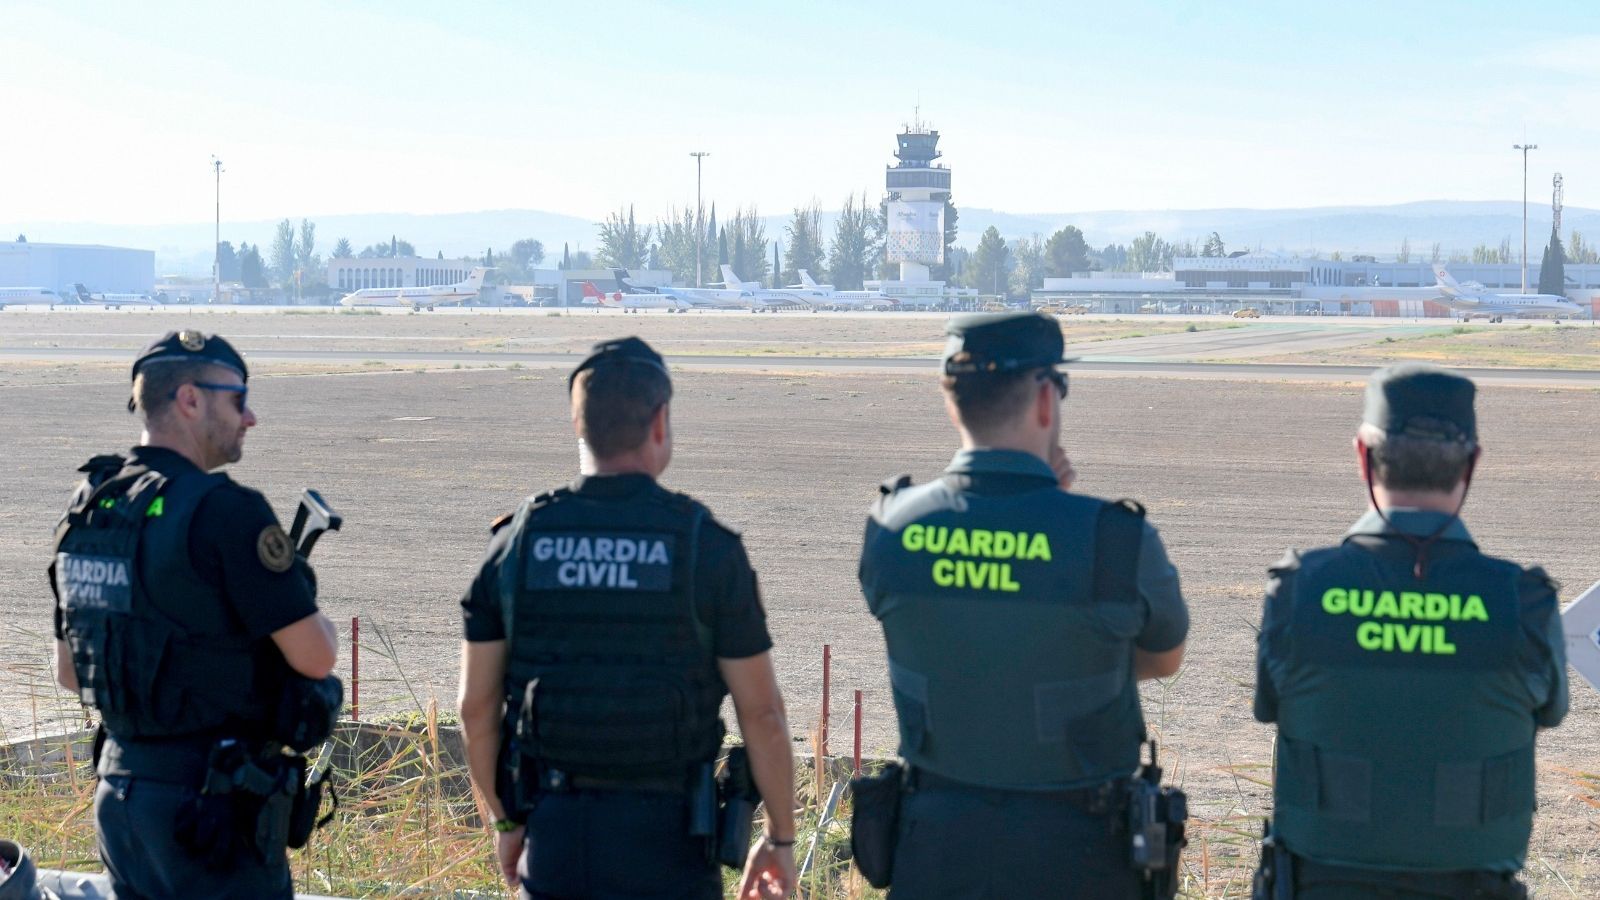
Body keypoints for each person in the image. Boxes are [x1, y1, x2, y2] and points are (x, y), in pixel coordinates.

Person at [857, 312, 1189, 898]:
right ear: (1044, 398)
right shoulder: (1114, 540)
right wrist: (1054, 510)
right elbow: (1163, 659)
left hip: (936, 849)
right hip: (1080, 855)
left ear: (951, 401)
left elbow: (968, 633)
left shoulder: (891, 527)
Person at [457, 336, 796, 900]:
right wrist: (780, 837)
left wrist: (506, 822)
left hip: (557, 840)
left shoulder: (516, 545)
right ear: (659, 422)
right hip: (672, 846)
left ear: (578, 425)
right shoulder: (705, 546)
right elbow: (762, 713)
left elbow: (475, 709)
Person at [1252, 364, 1568, 900]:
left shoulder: (1299, 591)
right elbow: (1551, 712)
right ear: (1471, 464)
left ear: (1363, 455)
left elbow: (1268, 706)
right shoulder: (1524, 603)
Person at [50, 329, 339, 899]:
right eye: (238, 399)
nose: (249, 417)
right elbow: (317, 656)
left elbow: (69, 672)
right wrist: (297, 591)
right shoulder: (226, 511)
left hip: (122, 796)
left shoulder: (94, 506)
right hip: (210, 810)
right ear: (189, 399)